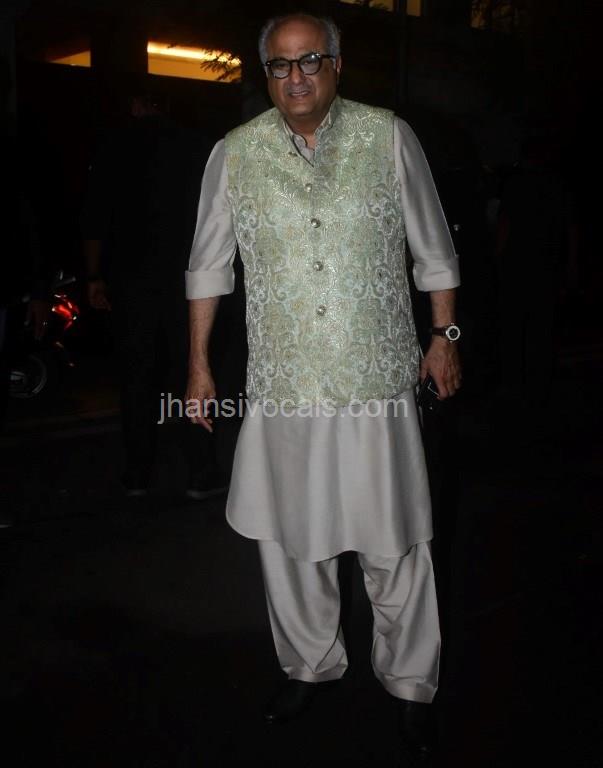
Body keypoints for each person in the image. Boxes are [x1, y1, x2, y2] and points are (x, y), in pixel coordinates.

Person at [185, 13, 461, 759]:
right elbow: (208, 267)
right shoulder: (234, 154)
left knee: (395, 539)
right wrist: (199, 366)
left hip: (376, 376)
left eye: (310, 60)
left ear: (336, 64)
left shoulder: (387, 136)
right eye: (280, 65)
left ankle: (410, 682)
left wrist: (444, 336)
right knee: (293, 541)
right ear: (266, 75)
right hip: (284, 380)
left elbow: (433, 247)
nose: (296, 77)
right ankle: (308, 664)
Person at [82, 81, 228, 499]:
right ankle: (201, 469)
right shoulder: (197, 146)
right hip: (188, 280)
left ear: (135, 104)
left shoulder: (114, 146)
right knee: (193, 367)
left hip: (133, 281)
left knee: (137, 376)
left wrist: (93, 275)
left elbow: (94, 216)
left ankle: (138, 472)